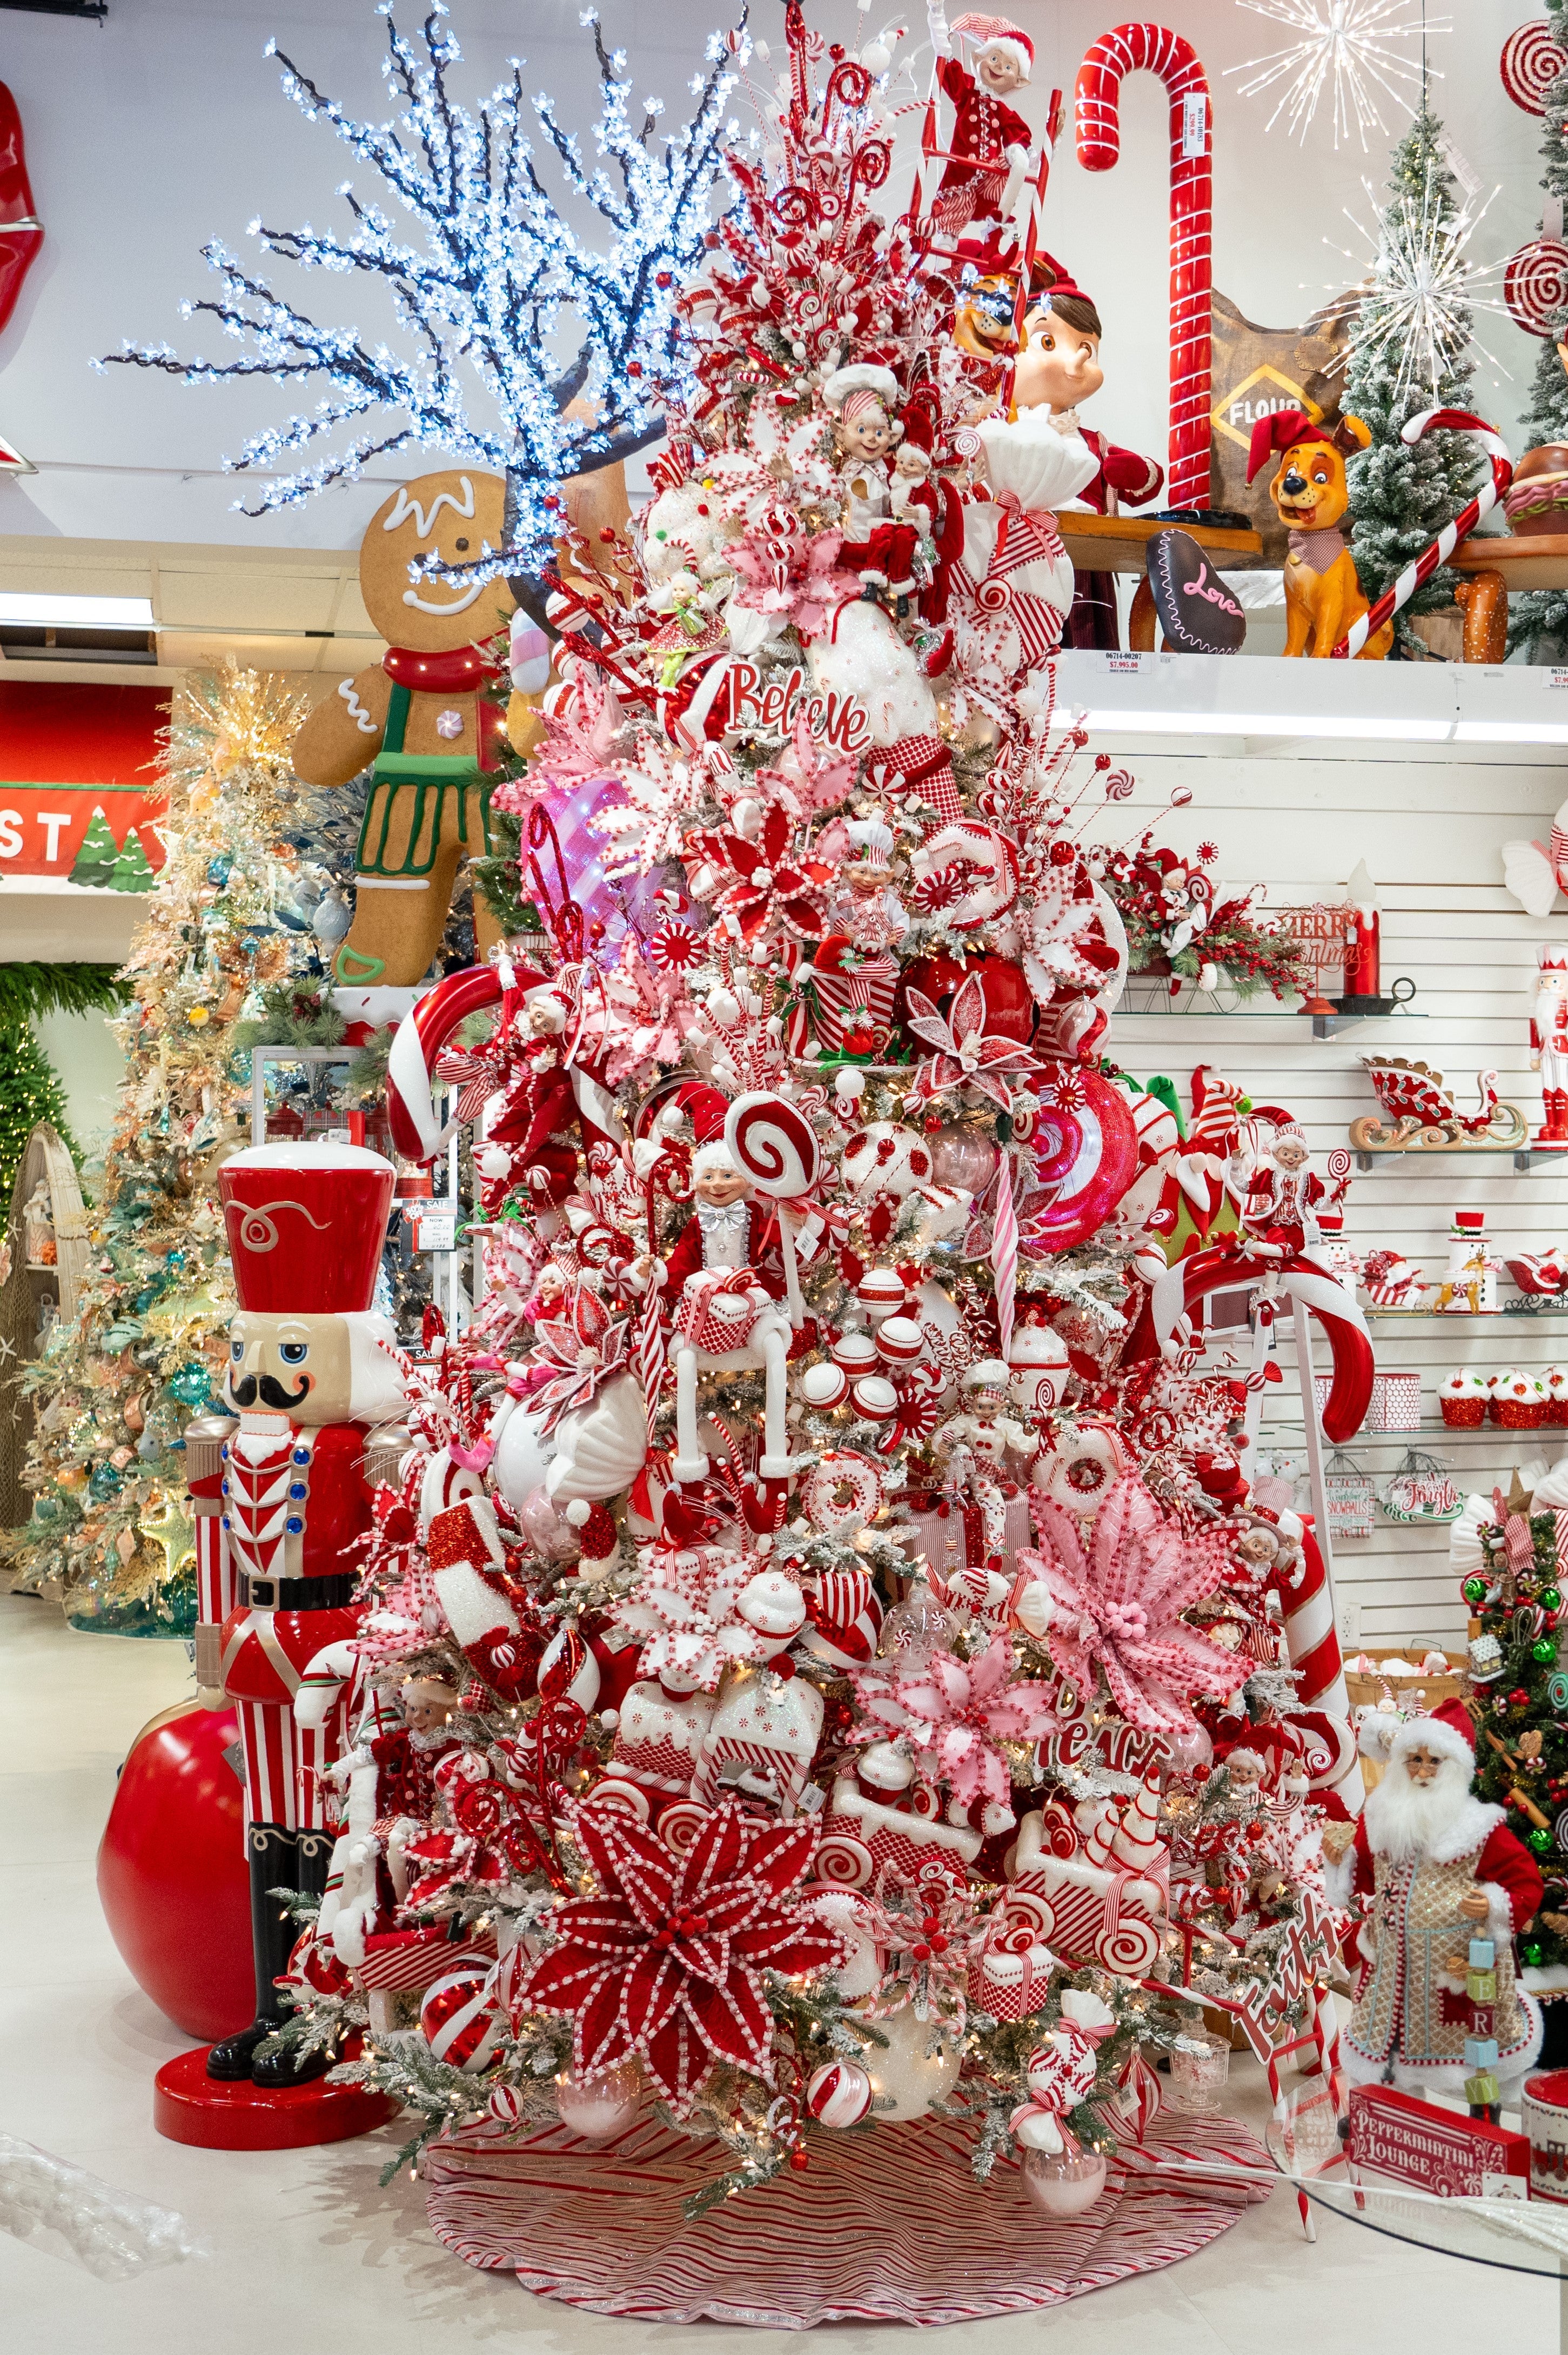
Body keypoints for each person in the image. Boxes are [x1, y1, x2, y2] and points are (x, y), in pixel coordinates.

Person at [1324, 1703, 1543, 2099]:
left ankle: (1475, 2125)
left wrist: (1493, 1903)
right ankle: (1394, 2118)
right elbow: (1370, 1878)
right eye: (1414, 1760)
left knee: (1469, 2063)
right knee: (1387, 2055)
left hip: (1454, 1965)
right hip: (1390, 1964)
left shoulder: (1478, 1827)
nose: (1422, 1771)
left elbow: (1525, 1881)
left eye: (1434, 1761)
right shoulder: (1381, 1816)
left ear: (1454, 1767)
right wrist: (1342, 1859)